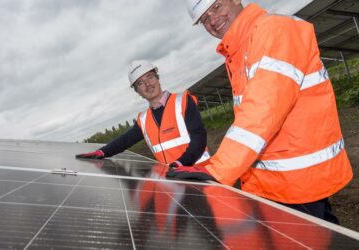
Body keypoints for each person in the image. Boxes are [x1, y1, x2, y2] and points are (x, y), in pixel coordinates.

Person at [168, 0, 353, 223]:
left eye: (216, 8)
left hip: (298, 181)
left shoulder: (274, 29)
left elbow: (264, 107)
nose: (212, 21)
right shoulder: (238, 49)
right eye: (204, 19)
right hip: (276, 182)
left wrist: (218, 170)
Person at [76, 60, 210, 169]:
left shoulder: (182, 101)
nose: (147, 84)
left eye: (150, 77)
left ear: (157, 78)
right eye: (140, 83)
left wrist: (181, 163)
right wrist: (102, 152)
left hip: (199, 175)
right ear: (138, 92)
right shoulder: (144, 120)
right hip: (173, 180)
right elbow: (124, 141)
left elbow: (199, 136)